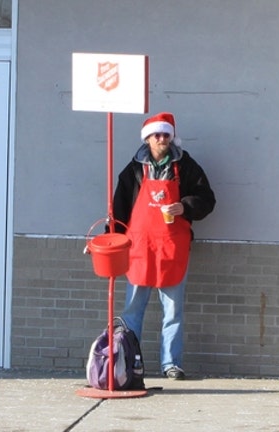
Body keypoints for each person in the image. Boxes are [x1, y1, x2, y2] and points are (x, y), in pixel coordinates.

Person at [110, 112, 216, 380]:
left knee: (173, 309)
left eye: (166, 134)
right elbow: (119, 210)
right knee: (133, 309)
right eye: (157, 134)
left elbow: (207, 199)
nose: (162, 139)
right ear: (147, 138)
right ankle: (129, 361)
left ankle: (171, 363)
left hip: (172, 247)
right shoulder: (133, 170)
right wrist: (112, 242)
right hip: (139, 247)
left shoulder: (186, 166)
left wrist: (184, 206)